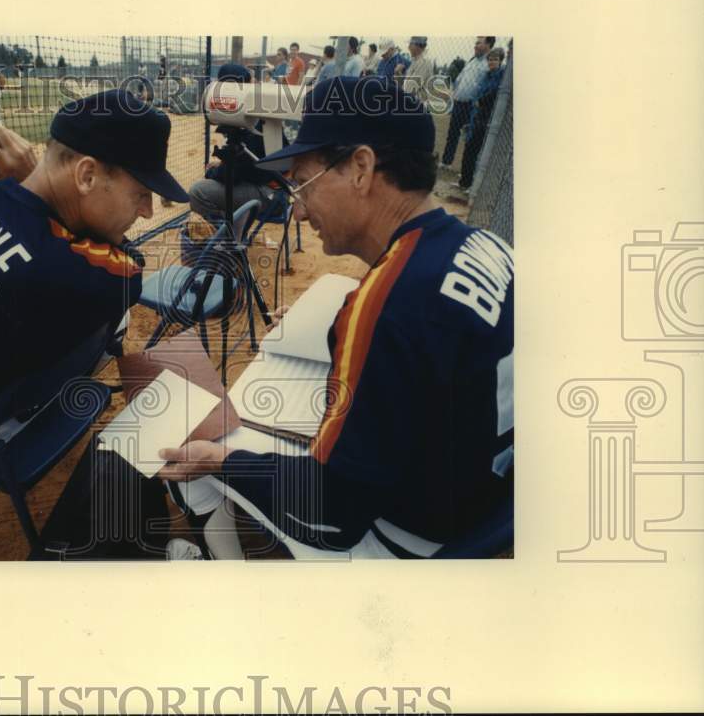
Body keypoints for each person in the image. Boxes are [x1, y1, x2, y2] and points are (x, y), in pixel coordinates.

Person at [159, 76, 514, 557]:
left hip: (409, 543)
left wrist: (223, 461)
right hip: (486, 512)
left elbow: (329, 513)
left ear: (362, 169)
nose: (298, 212)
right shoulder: (486, 244)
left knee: (201, 457)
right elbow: (426, 340)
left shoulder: (389, 303)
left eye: (302, 181)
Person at [0, 90, 190, 449]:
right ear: (86, 176)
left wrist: (33, 183)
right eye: (141, 193)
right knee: (116, 322)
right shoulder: (88, 275)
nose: (147, 211)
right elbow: (131, 269)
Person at [187, 64, 284, 224]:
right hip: (270, 188)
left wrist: (214, 172)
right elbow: (245, 164)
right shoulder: (258, 110)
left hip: (271, 196)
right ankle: (235, 235)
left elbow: (234, 174)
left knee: (198, 192)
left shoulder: (252, 119)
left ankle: (223, 242)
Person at [441, 36, 495, 168]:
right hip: (459, 102)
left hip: (472, 106)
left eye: (479, 43)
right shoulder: (472, 61)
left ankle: (466, 170)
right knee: (452, 133)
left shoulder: (488, 64)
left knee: (470, 138)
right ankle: (446, 162)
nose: (475, 45)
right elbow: (460, 79)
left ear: (488, 45)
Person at [459, 47, 506, 189]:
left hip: (486, 119)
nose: (492, 62)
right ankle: (464, 182)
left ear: (501, 61)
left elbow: (493, 95)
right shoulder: (486, 75)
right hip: (476, 116)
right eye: (490, 59)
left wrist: (481, 101)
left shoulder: (501, 76)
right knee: (469, 149)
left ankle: (470, 184)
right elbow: (477, 93)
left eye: (495, 59)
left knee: (475, 151)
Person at [396, 36, 435, 102]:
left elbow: (410, 90)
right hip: (411, 103)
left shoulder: (423, 63)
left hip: (416, 106)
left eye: (411, 44)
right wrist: (398, 73)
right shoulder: (415, 61)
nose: (408, 47)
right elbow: (406, 86)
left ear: (418, 46)